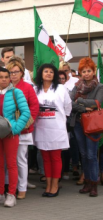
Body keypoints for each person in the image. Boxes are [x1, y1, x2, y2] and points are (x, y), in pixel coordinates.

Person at [0, 67, 30, 207]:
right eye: (1, 77)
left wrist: (15, 129)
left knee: (11, 164)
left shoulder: (16, 92)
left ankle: (11, 194)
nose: (4, 79)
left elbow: (26, 112)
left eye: (7, 76)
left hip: (10, 134)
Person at [34, 64, 72, 197]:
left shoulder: (61, 88)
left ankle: (55, 185)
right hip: (41, 128)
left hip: (56, 128)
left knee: (55, 158)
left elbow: (68, 106)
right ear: (41, 74)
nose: (49, 73)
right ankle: (48, 184)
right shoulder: (35, 89)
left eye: (51, 72)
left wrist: (61, 119)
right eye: (46, 71)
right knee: (45, 158)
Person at [6, 56, 39, 199]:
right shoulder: (3, 87)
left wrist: (25, 122)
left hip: (23, 129)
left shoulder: (27, 87)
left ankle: (22, 187)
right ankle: (9, 186)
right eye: (11, 72)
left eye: (15, 72)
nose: (13, 75)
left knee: (20, 159)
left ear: (21, 72)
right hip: (7, 130)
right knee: (8, 159)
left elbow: (34, 106)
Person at [70, 57, 103, 197]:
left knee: (91, 155)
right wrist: (84, 107)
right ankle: (87, 182)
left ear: (93, 71)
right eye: (83, 71)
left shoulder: (99, 86)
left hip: (92, 124)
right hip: (78, 123)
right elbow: (70, 103)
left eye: (89, 71)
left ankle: (94, 183)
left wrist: (80, 101)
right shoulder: (76, 85)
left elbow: (97, 103)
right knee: (83, 154)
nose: (86, 73)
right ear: (80, 72)